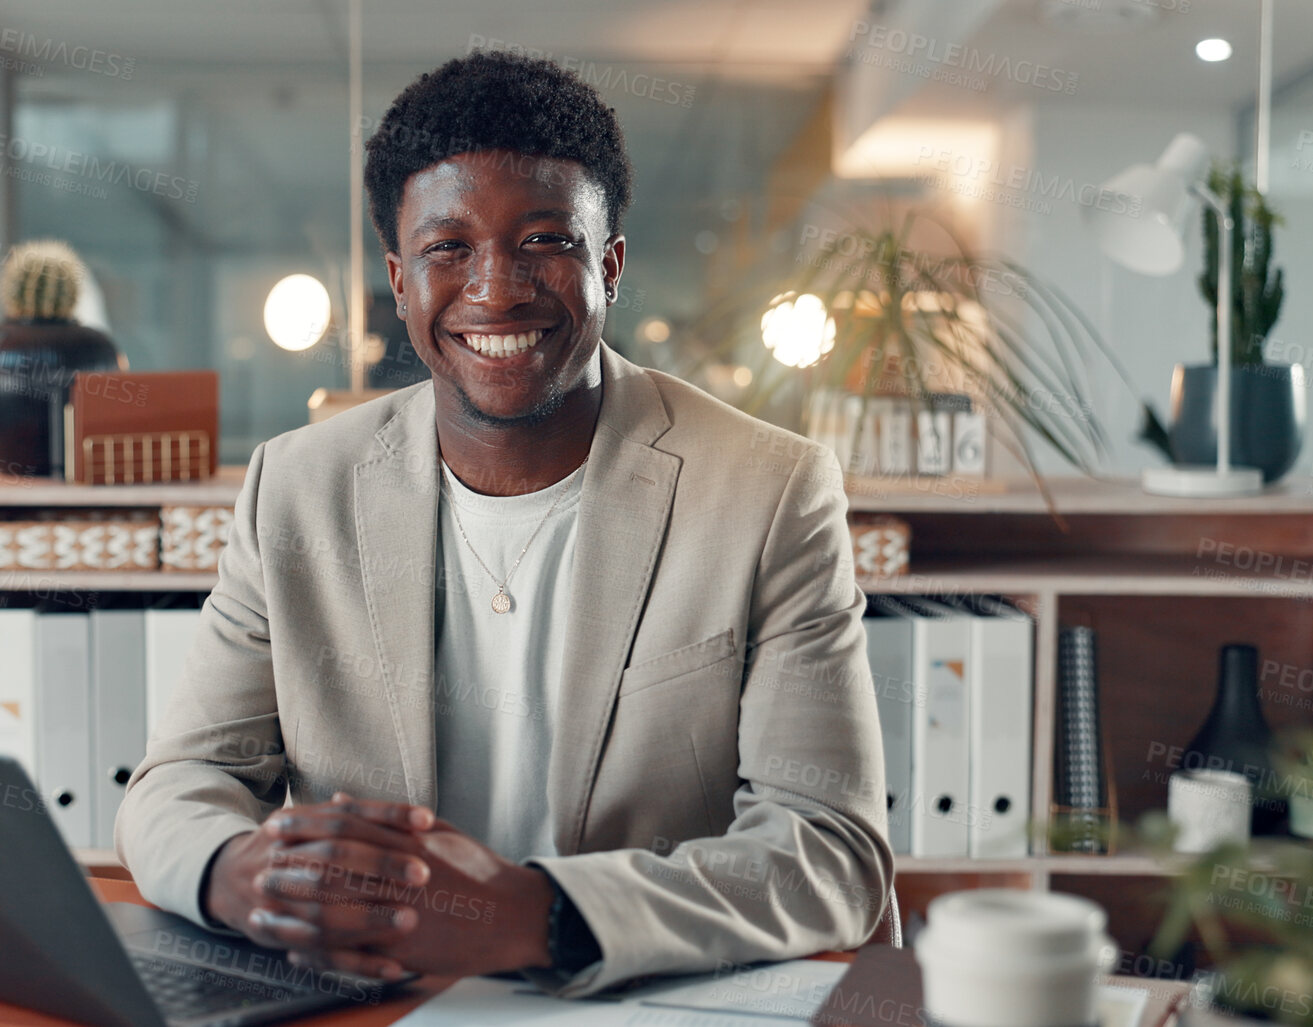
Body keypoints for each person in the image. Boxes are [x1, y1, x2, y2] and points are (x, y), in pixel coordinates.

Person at [115, 50, 891, 998]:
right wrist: (241, 877)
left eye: (543, 241)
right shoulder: (296, 486)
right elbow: (181, 779)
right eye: (449, 248)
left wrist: (534, 914)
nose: (496, 289)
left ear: (607, 266)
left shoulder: (769, 489)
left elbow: (830, 850)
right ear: (400, 282)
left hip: (647, 998)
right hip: (374, 998)